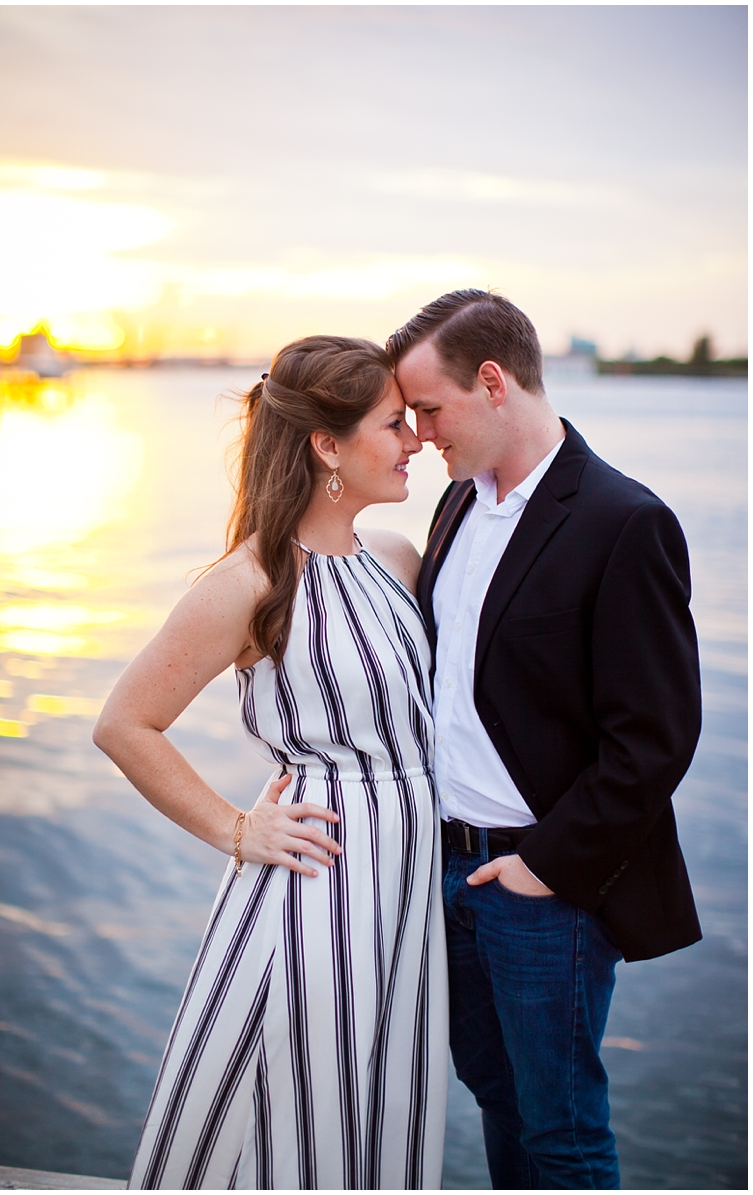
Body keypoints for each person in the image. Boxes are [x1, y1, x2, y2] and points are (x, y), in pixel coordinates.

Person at [93, 335, 448, 1191]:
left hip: (403, 887)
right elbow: (126, 722)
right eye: (393, 424)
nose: (413, 442)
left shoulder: (395, 560)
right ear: (328, 445)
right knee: (295, 1111)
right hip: (316, 880)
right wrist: (237, 827)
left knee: (374, 1103)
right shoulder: (253, 579)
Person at [387, 290, 702, 1191]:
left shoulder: (622, 520)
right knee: (495, 1094)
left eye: (429, 409)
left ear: (492, 383)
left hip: (543, 887)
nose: (420, 433)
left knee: (561, 1129)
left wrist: (546, 866)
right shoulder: (454, 507)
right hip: (449, 874)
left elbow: (656, 735)